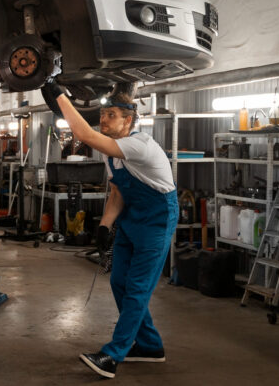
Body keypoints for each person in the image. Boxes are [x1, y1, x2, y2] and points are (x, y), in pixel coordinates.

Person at [41, 81, 179, 379]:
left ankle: (113, 354)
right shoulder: (111, 152)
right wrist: (105, 225)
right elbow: (117, 192)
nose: (103, 120)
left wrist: (60, 96)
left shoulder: (137, 145)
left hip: (157, 219)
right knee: (119, 283)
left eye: (111, 115)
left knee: (138, 288)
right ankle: (150, 347)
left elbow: (83, 134)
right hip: (131, 217)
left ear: (128, 119)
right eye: (102, 114)